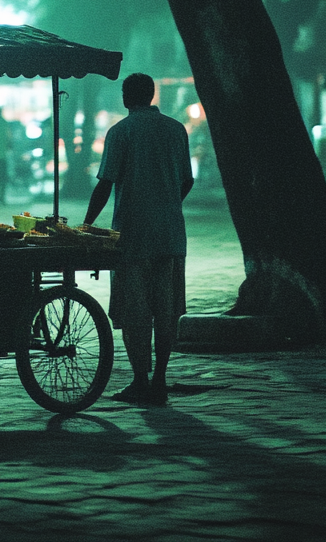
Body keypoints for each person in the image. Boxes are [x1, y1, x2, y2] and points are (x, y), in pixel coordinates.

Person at [83, 72, 194, 406]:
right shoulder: (176, 130)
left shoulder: (121, 132)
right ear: (152, 94)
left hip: (133, 237)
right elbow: (186, 181)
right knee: (165, 311)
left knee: (136, 311)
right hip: (171, 235)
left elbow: (105, 183)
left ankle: (140, 380)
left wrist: (87, 224)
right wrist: (167, 204)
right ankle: (160, 378)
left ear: (127, 96)